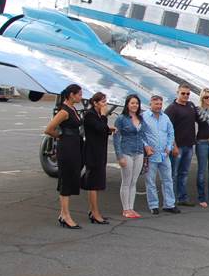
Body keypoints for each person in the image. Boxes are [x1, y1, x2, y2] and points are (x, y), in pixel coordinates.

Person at [44, 84, 84, 229]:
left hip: (74, 146)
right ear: (72, 95)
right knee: (66, 179)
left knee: (71, 177)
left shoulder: (72, 109)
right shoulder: (64, 111)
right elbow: (49, 129)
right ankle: (66, 215)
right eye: (79, 94)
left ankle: (63, 214)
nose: (81, 97)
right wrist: (60, 136)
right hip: (67, 147)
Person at [142, 95, 179, 214]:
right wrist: (146, 146)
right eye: (156, 104)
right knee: (150, 181)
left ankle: (169, 204)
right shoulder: (144, 117)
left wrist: (169, 147)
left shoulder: (165, 118)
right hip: (151, 155)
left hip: (164, 155)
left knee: (168, 179)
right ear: (150, 104)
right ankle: (153, 205)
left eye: (160, 104)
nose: (158, 106)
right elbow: (141, 134)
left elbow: (171, 133)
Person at [81, 92, 113, 225]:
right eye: (103, 102)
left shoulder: (98, 115)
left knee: (98, 182)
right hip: (93, 152)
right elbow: (99, 127)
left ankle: (93, 210)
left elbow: (101, 128)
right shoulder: (90, 115)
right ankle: (94, 213)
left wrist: (108, 128)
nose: (105, 105)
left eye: (106, 102)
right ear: (95, 103)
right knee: (93, 183)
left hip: (100, 151)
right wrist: (105, 116)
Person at [165, 84, 197, 207]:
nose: (185, 96)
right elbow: (168, 130)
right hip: (178, 147)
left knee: (184, 173)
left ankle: (182, 197)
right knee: (173, 174)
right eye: (183, 93)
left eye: (188, 94)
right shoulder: (172, 108)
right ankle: (171, 199)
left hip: (189, 146)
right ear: (177, 92)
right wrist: (174, 146)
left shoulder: (191, 106)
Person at [113, 94, 145, 219]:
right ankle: (125, 209)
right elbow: (116, 138)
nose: (134, 105)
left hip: (139, 152)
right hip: (127, 151)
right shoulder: (121, 119)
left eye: (136, 103)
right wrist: (119, 156)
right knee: (126, 181)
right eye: (132, 103)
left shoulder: (141, 118)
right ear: (127, 104)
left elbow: (143, 134)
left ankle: (131, 208)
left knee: (134, 181)